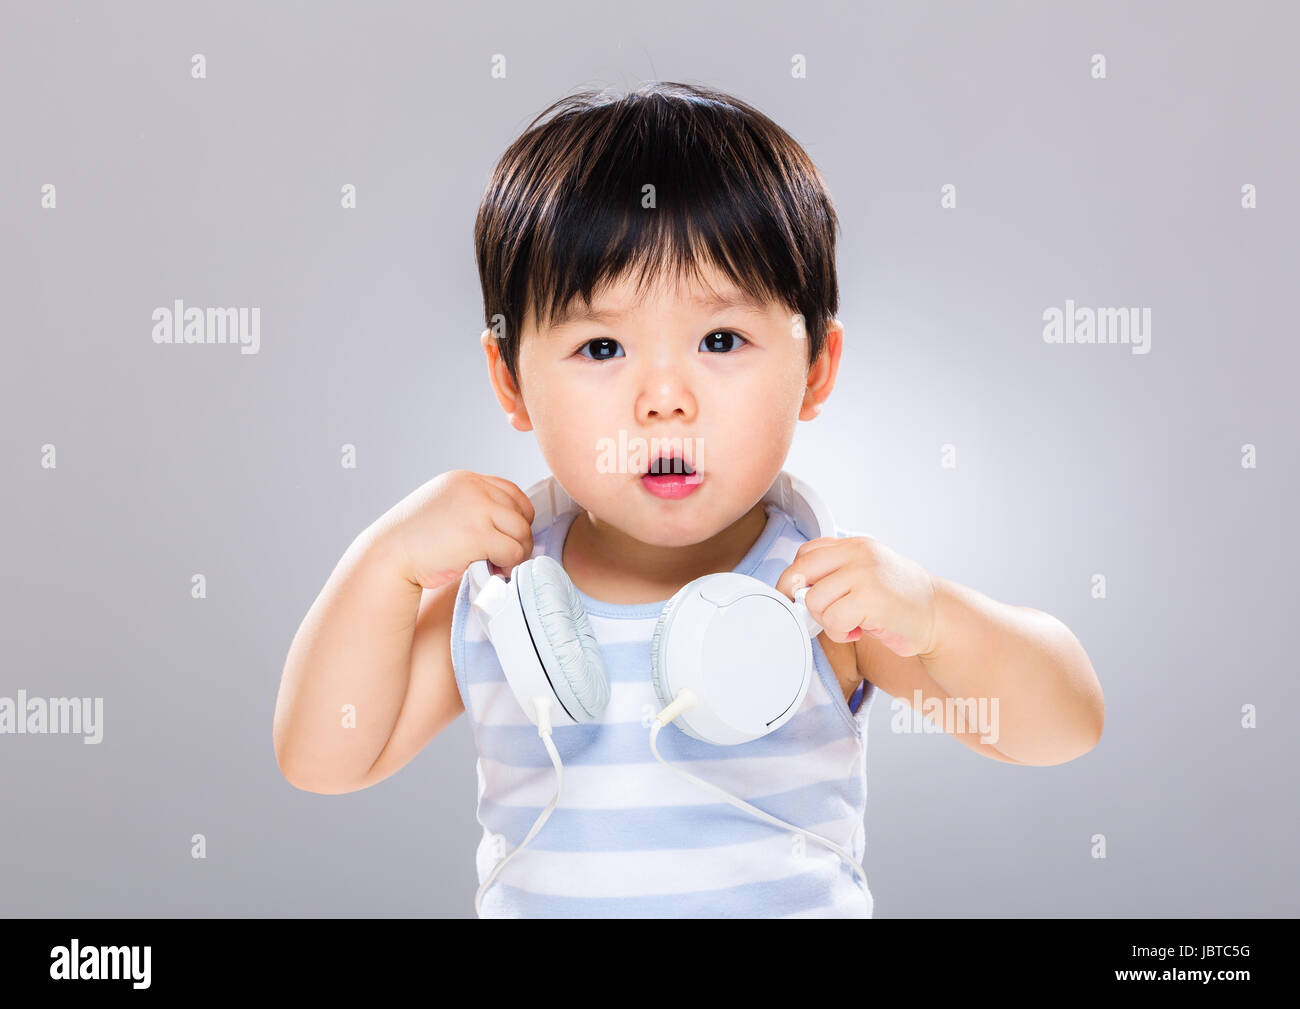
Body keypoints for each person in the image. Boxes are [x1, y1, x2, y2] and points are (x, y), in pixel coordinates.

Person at [273, 81, 1104, 918]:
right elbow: (323, 758)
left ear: (816, 367)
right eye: (603, 347)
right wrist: (382, 564)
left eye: (720, 339)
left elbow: (1064, 725)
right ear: (510, 379)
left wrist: (936, 616)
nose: (665, 399)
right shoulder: (505, 598)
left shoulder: (820, 599)